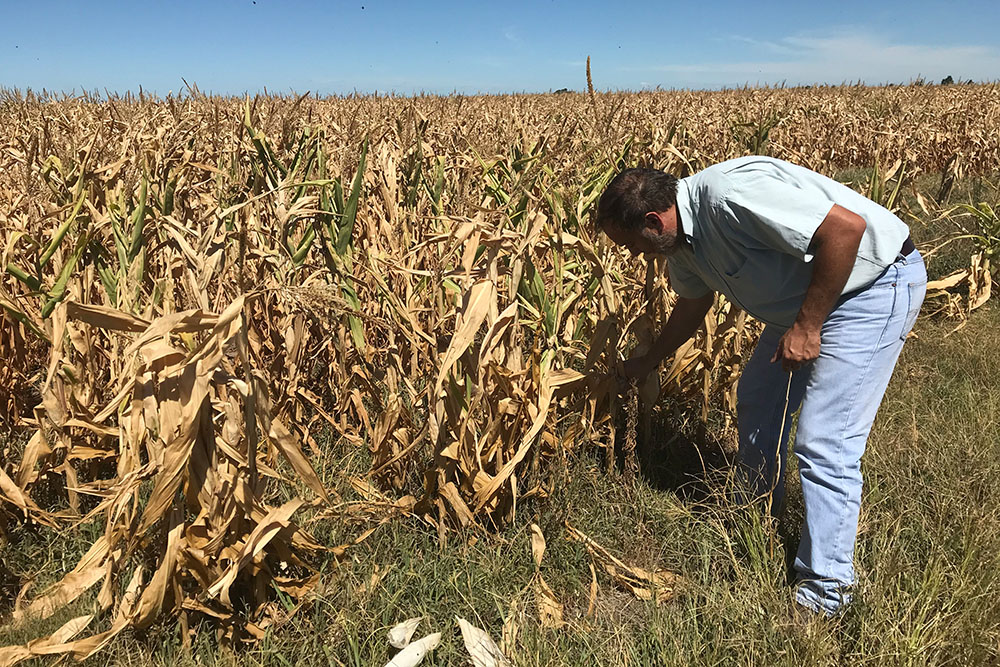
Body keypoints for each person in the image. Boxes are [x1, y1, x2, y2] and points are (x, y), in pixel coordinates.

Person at [595, 156, 927, 616]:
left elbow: (845, 231)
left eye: (630, 243)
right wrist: (648, 360)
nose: (634, 255)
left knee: (825, 440)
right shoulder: (681, 245)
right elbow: (693, 306)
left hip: (867, 288)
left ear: (654, 221)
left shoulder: (730, 198)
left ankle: (825, 592)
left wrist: (808, 326)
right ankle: (755, 519)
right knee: (756, 399)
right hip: (804, 300)